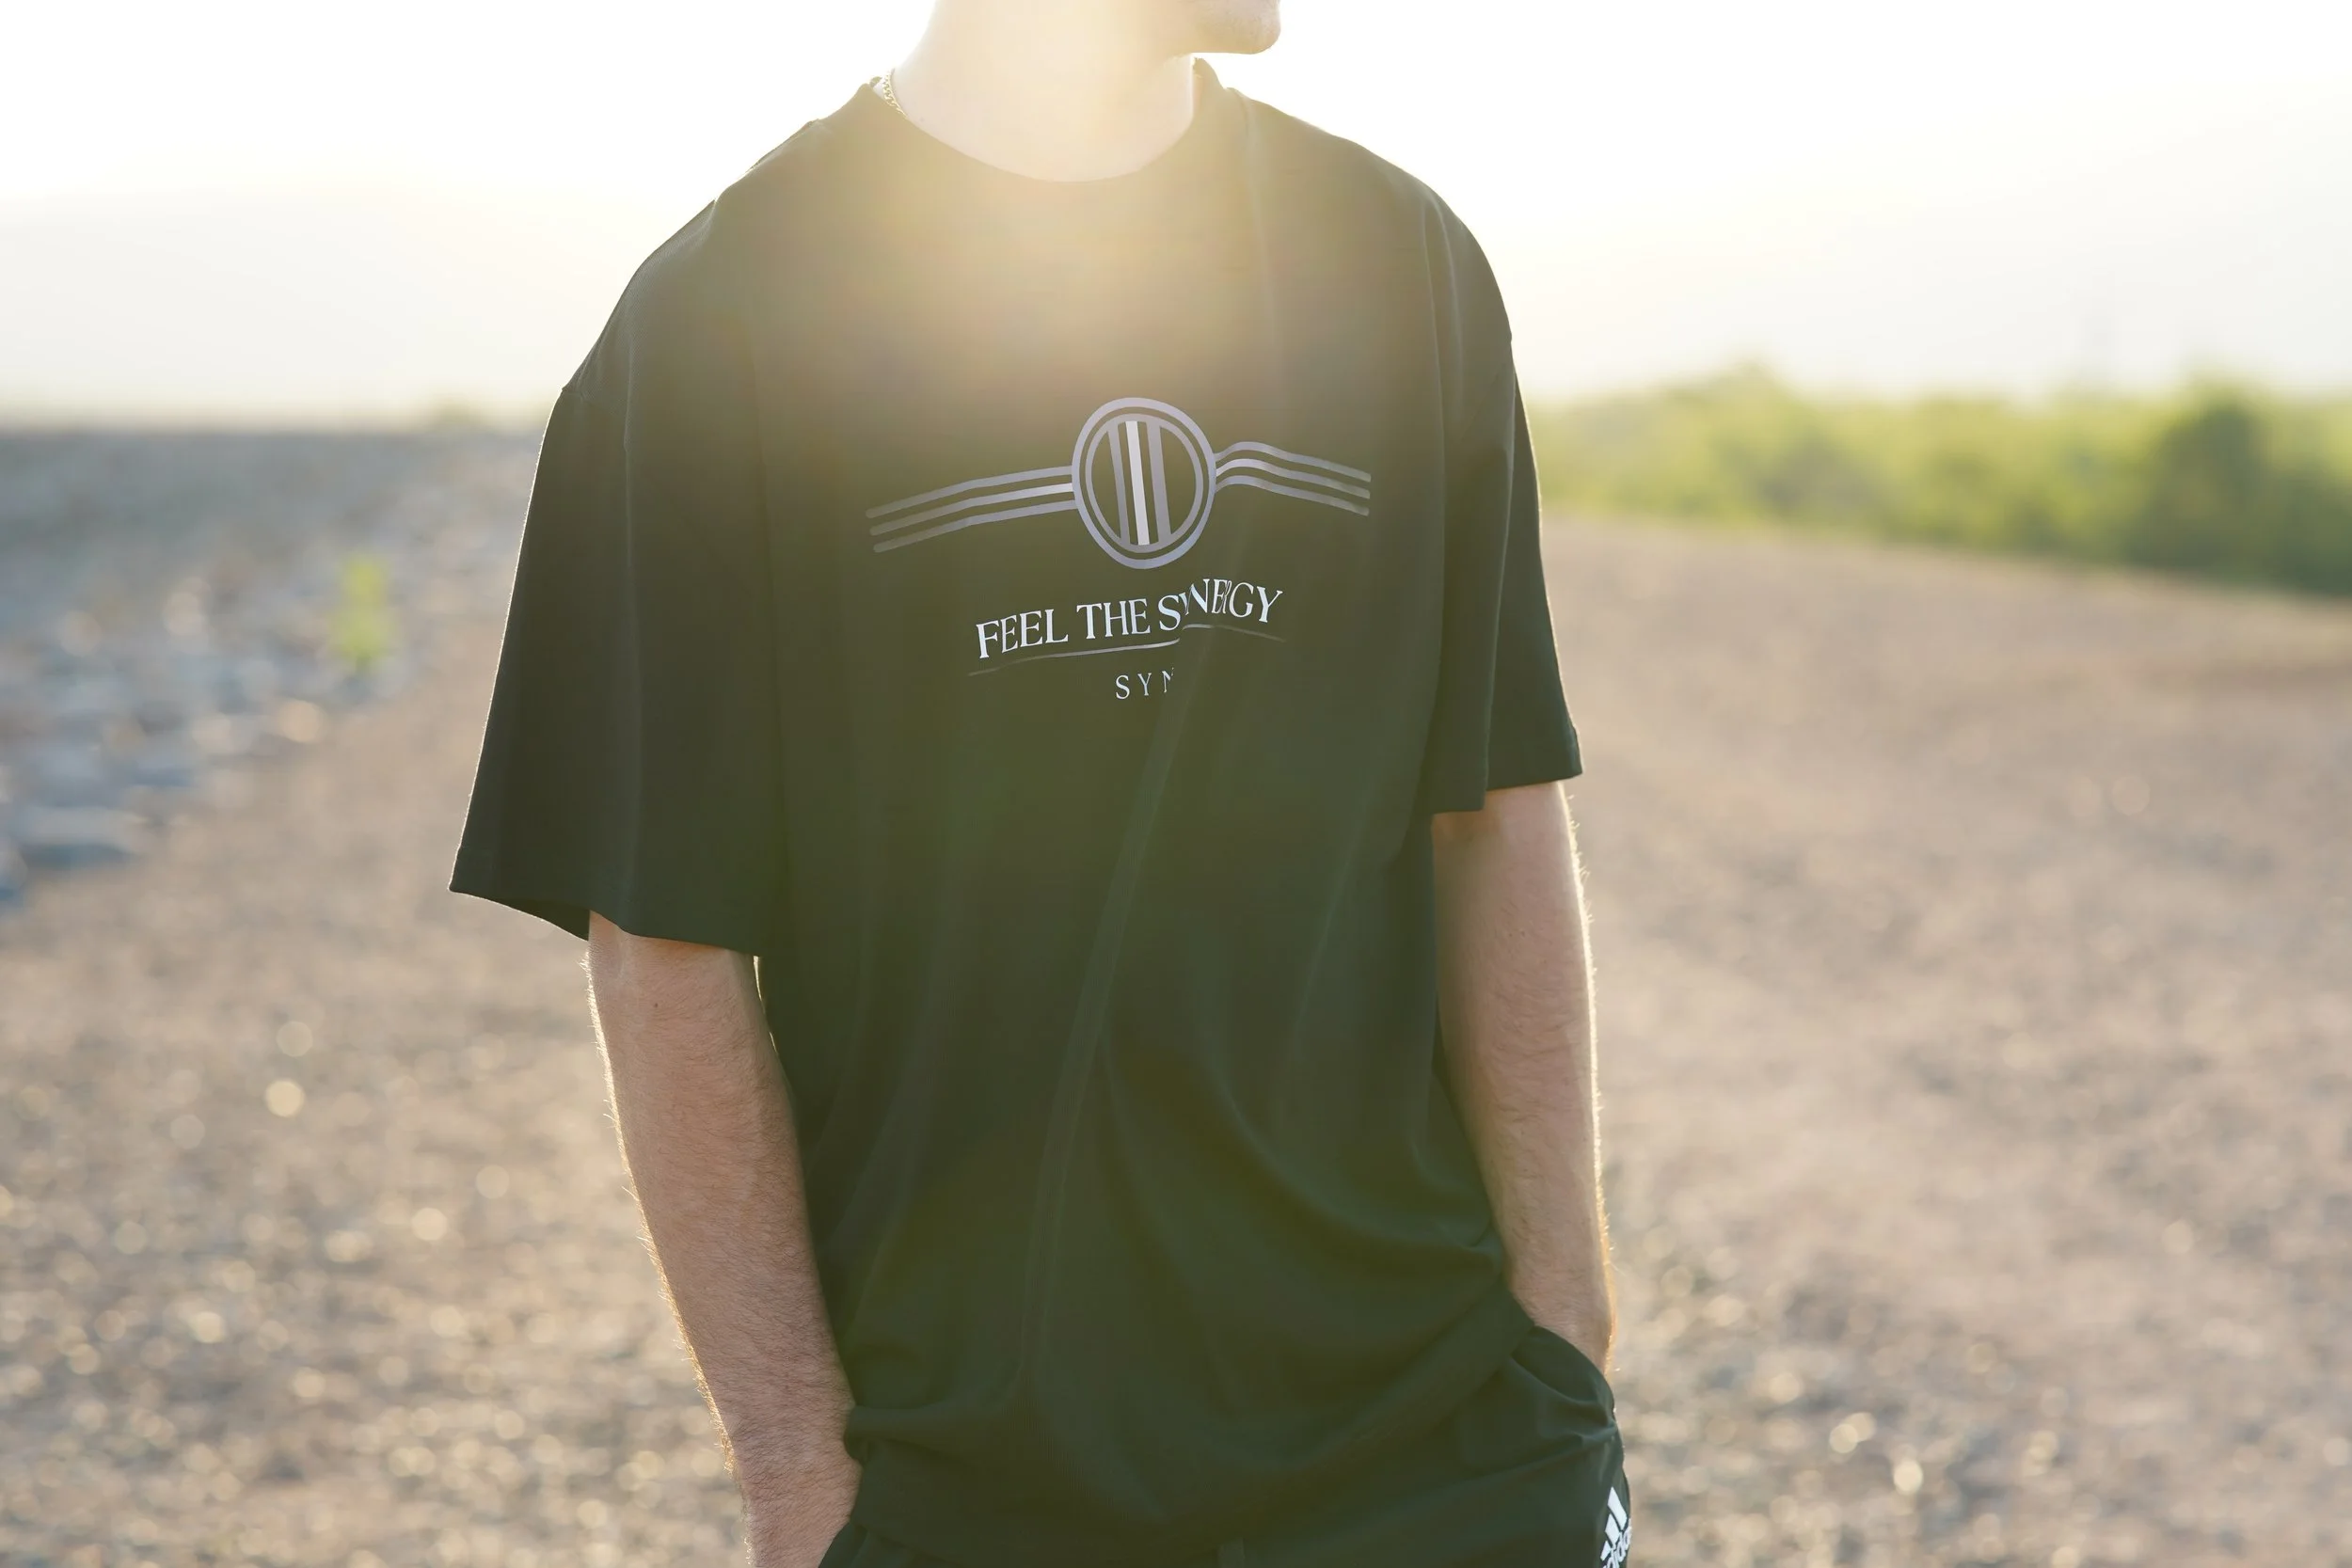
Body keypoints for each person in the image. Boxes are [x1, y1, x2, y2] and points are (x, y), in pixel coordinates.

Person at [451, 1, 1627, 1563]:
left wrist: (1565, 1334)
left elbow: (1493, 807)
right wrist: (801, 1479)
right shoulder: (715, 324)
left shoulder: (1398, 262)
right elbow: (665, 951)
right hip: (975, 1469)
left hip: (1434, 1439)